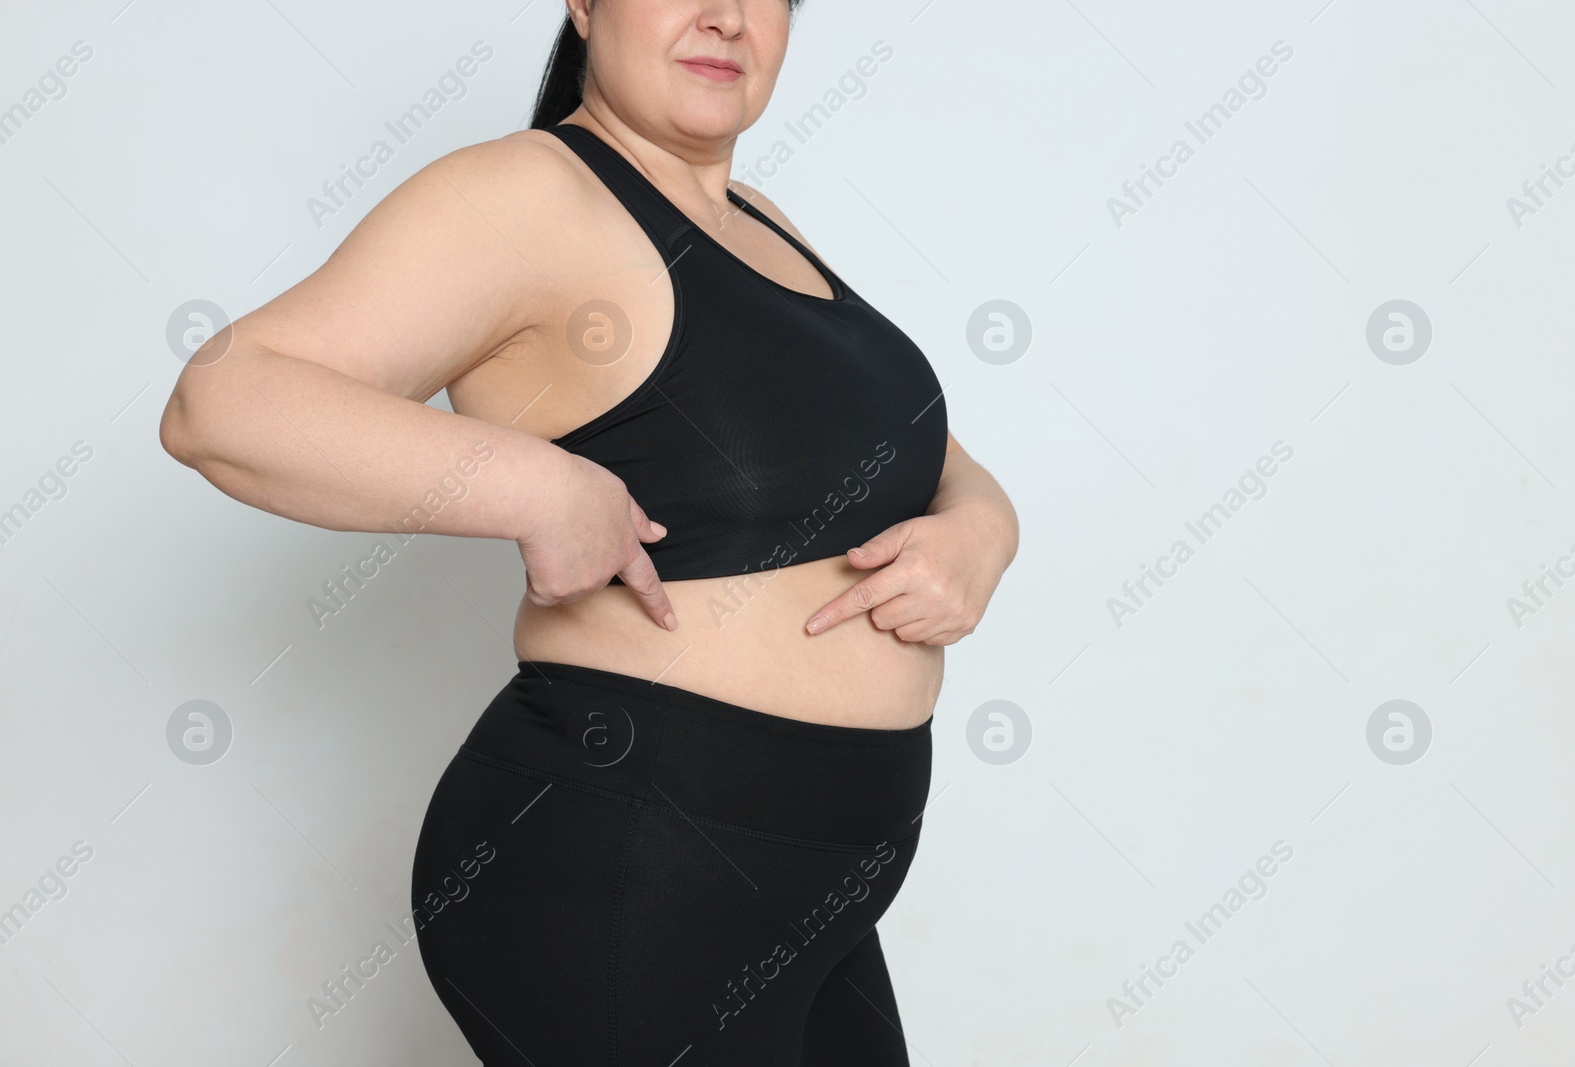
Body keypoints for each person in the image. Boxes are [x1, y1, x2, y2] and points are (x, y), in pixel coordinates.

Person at [158, 0, 1018, 1062]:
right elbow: (224, 403)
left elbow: (909, 447)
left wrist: (984, 523)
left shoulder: (762, 217)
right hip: (636, 863)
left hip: (824, 877)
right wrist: (530, 480)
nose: (723, 16)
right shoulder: (529, 194)